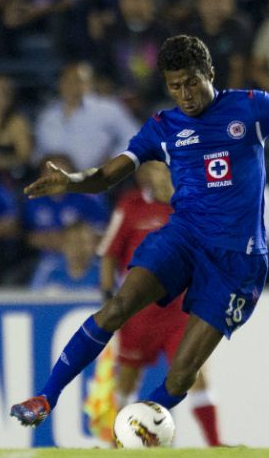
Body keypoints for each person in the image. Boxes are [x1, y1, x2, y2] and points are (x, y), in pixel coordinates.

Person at [10, 35, 269, 431]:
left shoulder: (250, 107)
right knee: (117, 307)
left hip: (238, 261)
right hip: (184, 238)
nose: (185, 94)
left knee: (182, 374)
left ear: (209, 73)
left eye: (192, 82)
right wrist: (72, 181)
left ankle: (140, 426)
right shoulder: (164, 126)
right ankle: (46, 396)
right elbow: (107, 176)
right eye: (175, 85)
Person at [94, 161, 224, 446]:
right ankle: (119, 442)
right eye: (152, 168)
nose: (156, 174)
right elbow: (108, 252)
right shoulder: (130, 205)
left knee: (193, 374)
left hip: (178, 312)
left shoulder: (189, 204)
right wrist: (107, 293)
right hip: (138, 313)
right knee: (127, 382)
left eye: (162, 169)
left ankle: (215, 444)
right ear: (142, 173)